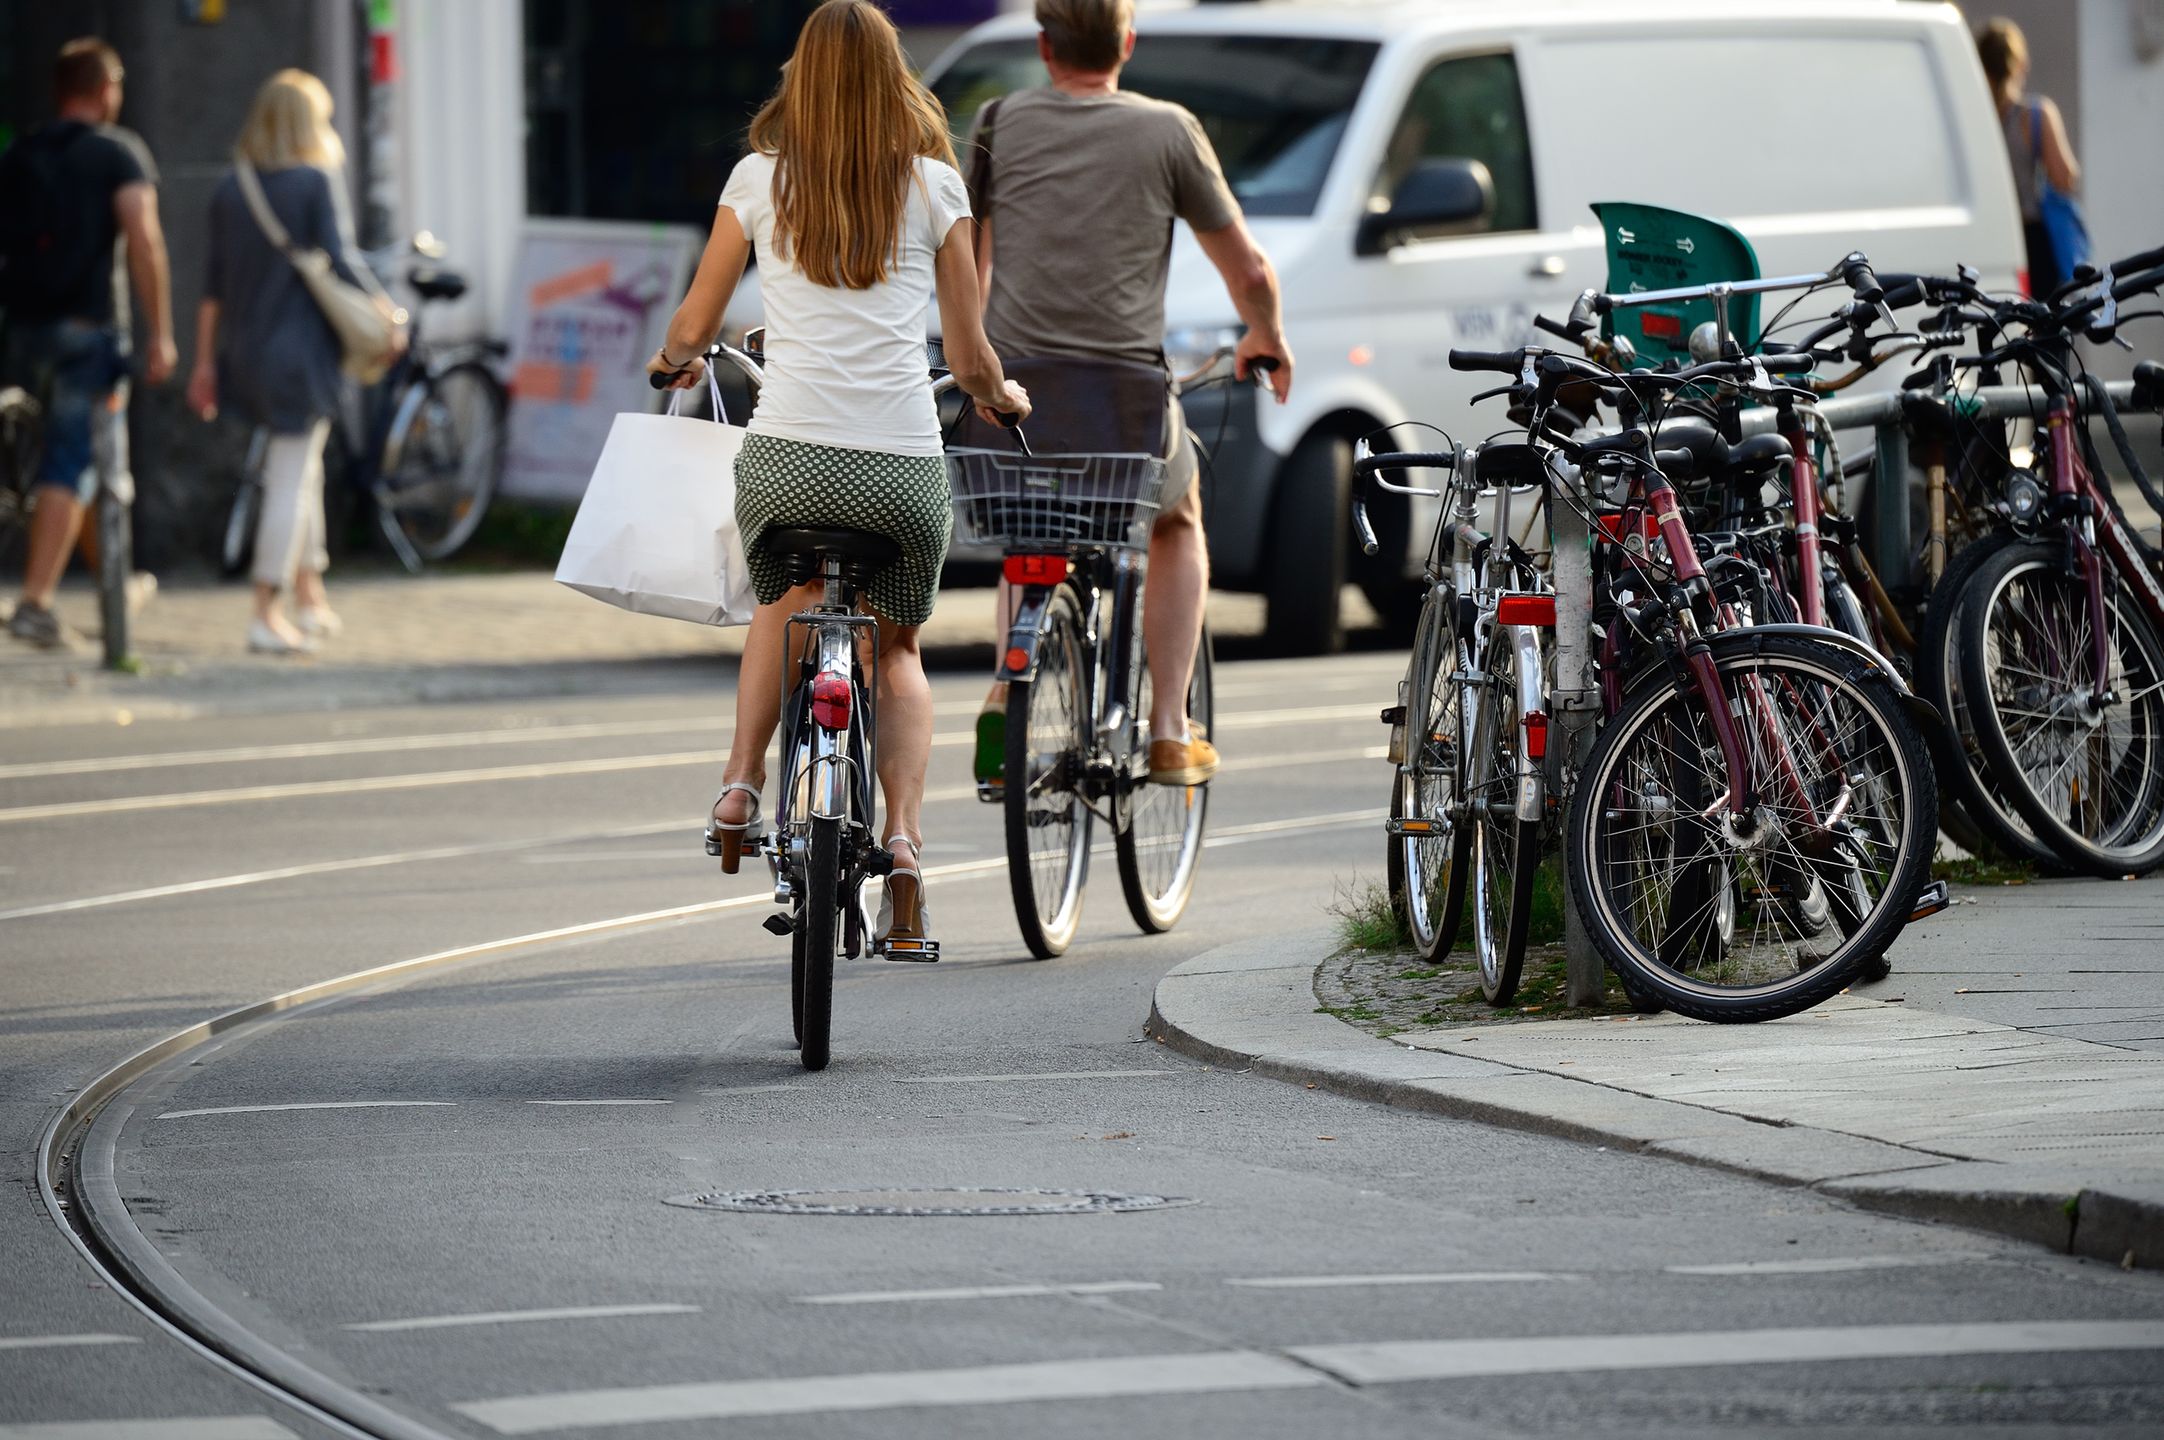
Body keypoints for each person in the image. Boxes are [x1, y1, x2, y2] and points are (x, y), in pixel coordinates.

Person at [647, 0, 1029, 950]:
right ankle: (902, 845)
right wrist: (1001, 396)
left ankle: (741, 783)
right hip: (898, 473)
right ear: (896, 79)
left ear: (800, 79)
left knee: (779, 604)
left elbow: (694, 327)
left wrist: (676, 361)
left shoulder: (756, 179)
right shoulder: (936, 187)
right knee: (895, 654)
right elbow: (971, 356)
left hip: (786, 468)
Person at [968, 0, 1293, 788]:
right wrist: (1266, 338)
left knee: (1031, 521)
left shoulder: (996, 122)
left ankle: (1010, 693)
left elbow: (968, 261)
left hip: (1018, 391)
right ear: (1128, 44)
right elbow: (1247, 269)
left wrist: (976, 356)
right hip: (1125, 395)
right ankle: (1170, 728)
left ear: (1043, 46)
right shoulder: (1169, 129)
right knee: (1177, 522)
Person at [188, 70, 390, 655]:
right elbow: (345, 260)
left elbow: (211, 290)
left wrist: (204, 365)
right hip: (301, 356)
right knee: (289, 480)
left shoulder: (232, 187)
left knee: (303, 471)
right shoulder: (314, 181)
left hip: (245, 356)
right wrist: (387, 314)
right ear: (308, 123)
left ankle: (310, 593)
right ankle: (263, 610)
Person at [0, 37, 173, 649]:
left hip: (23, 330)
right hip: (88, 332)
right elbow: (144, 239)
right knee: (73, 464)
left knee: (87, 463)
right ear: (105, 90)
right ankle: (36, 603)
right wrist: (162, 335)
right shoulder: (117, 153)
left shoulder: (20, 154)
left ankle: (116, 588)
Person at [1977, 17, 2083, 296]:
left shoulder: (1975, 120)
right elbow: (2064, 178)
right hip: (2034, 239)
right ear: (2019, 64)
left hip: (1990, 238)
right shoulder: (2035, 116)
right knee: (2045, 327)